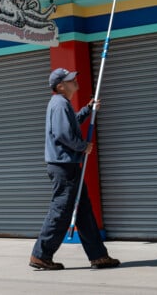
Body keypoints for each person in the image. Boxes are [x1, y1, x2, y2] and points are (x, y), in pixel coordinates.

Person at [29, 67, 121, 270]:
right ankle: (41, 255)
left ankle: (98, 256)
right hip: (63, 166)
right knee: (61, 211)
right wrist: (82, 146)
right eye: (70, 80)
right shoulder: (60, 103)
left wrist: (88, 110)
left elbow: (71, 127)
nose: (74, 81)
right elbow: (63, 135)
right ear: (60, 86)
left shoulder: (63, 104)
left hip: (68, 165)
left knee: (84, 211)